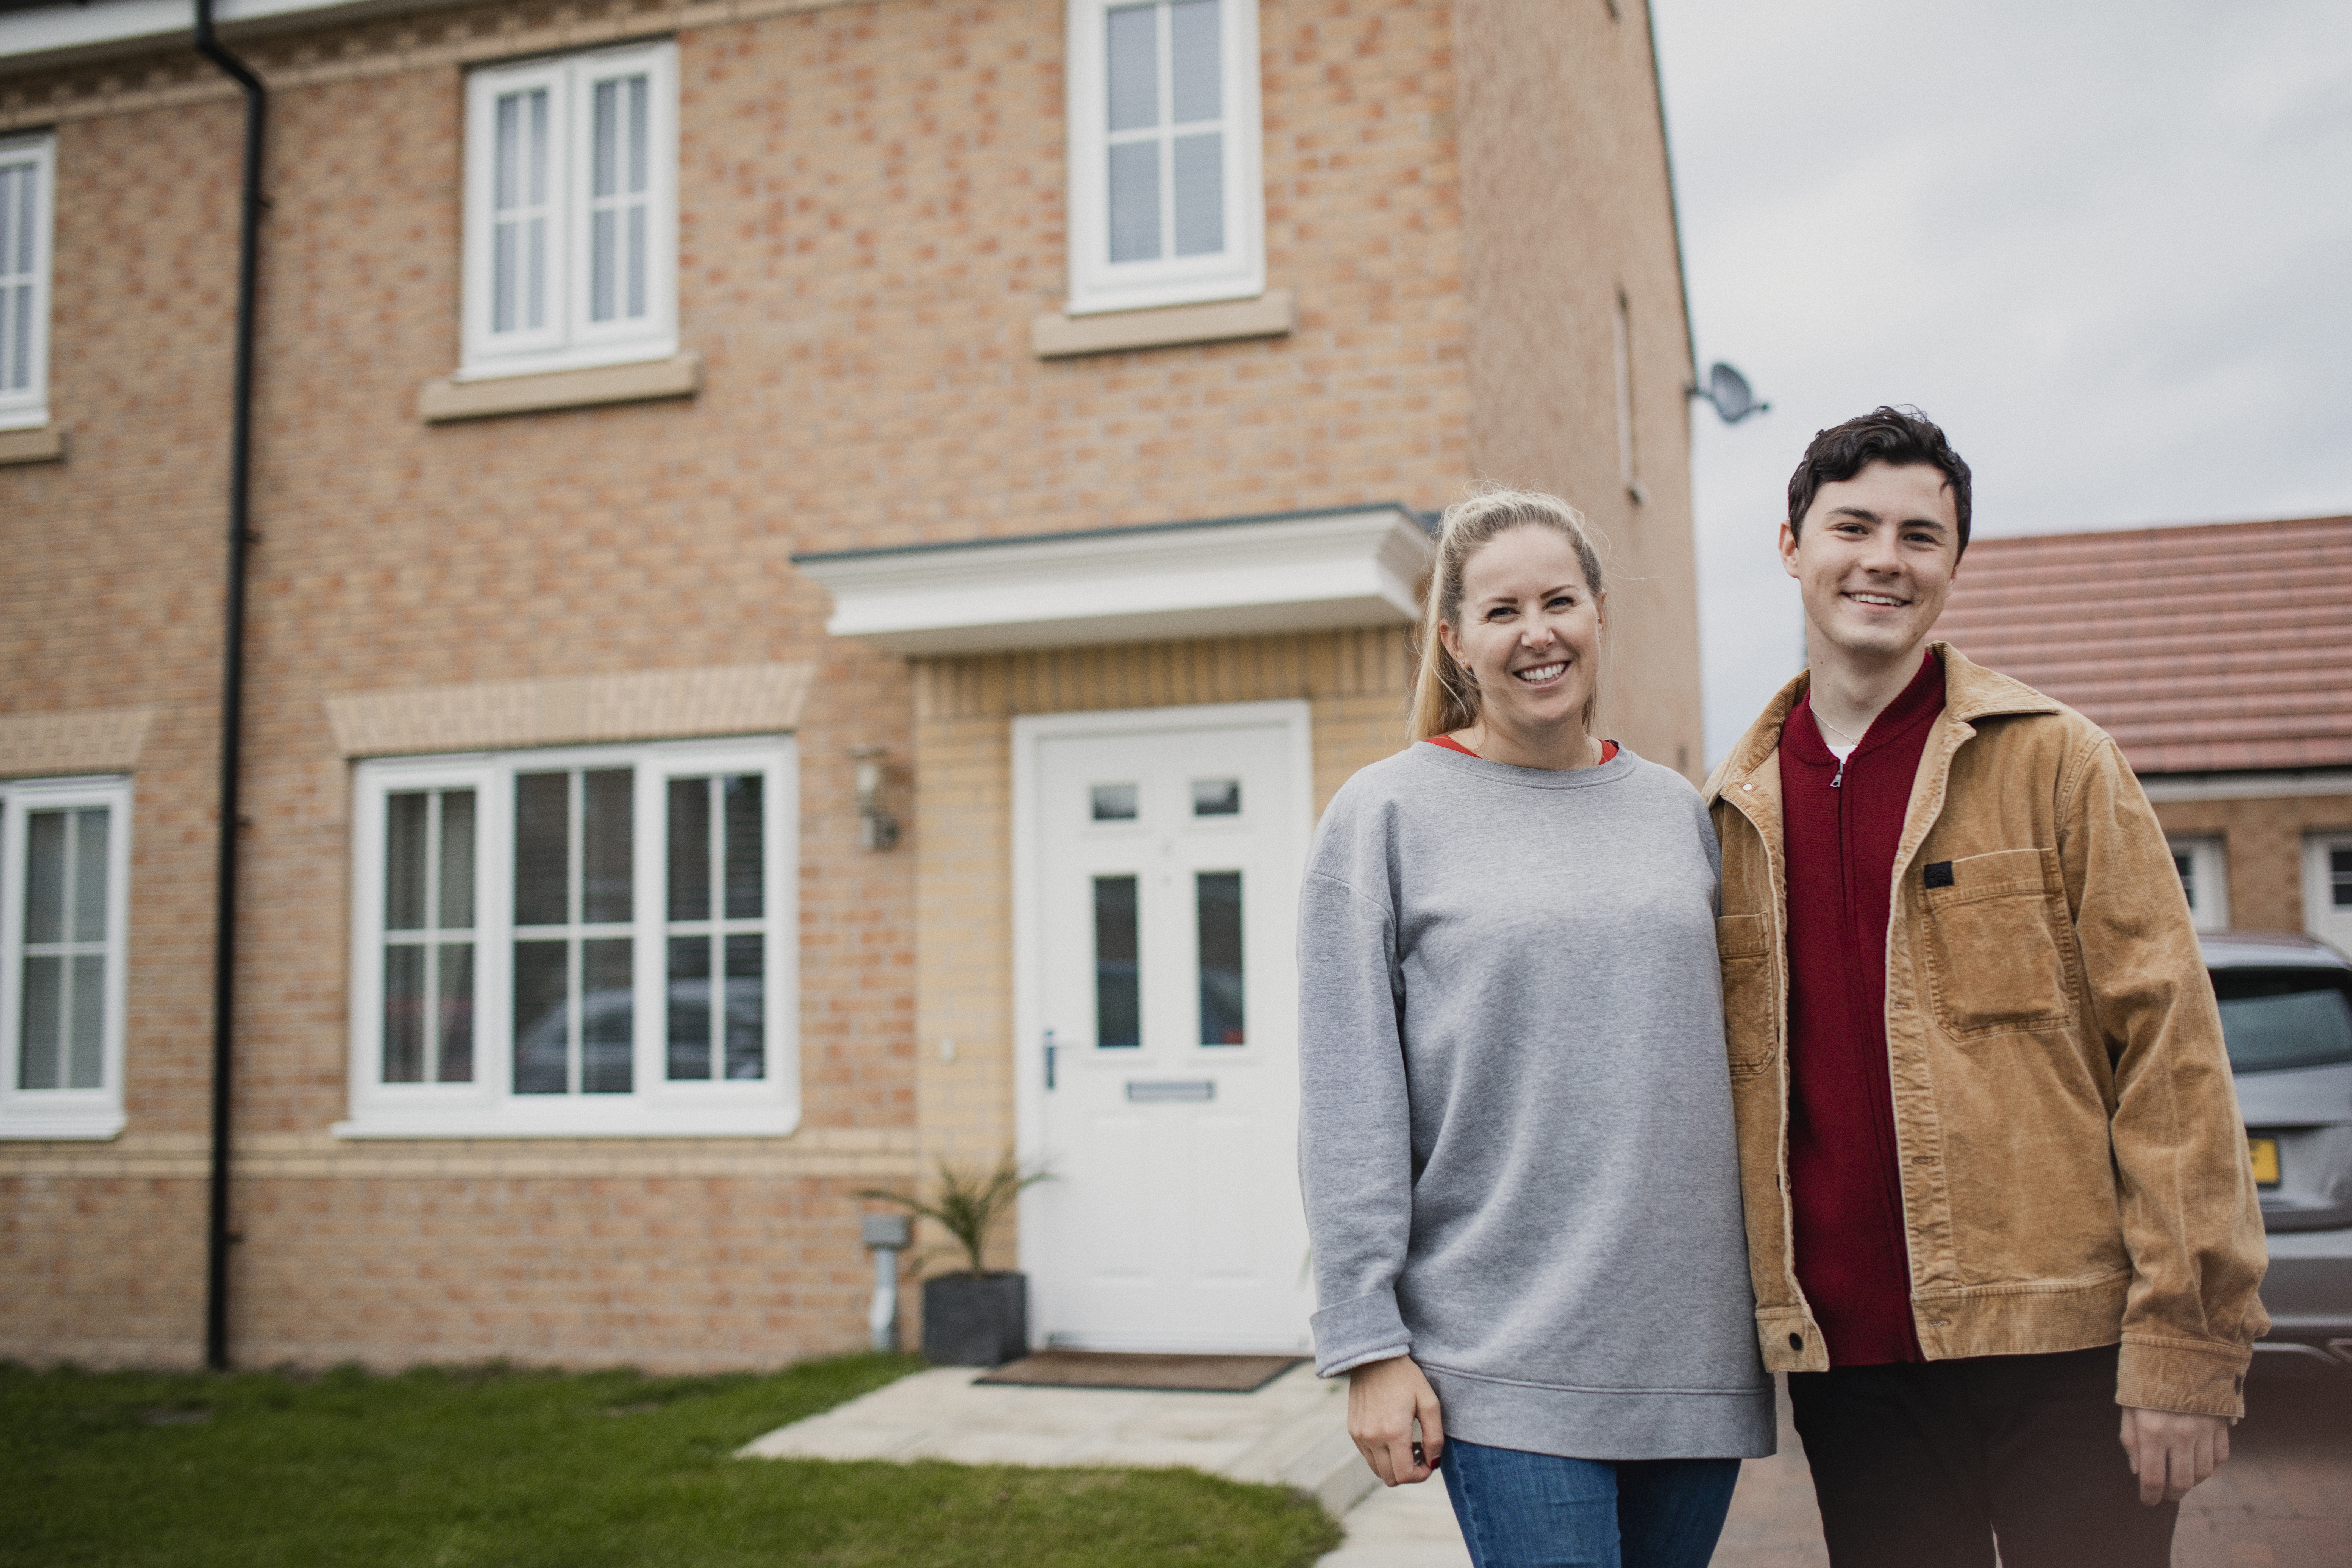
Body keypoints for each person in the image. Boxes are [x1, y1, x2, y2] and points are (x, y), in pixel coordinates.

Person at [1705, 406, 2269, 1568]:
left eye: (1920, 535)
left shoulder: (2057, 760)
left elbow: (2171, 1055)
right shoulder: (1732, 814)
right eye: (1850, 525)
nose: (1882, 559)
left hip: (2064, 1345)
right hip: (1854, 1373)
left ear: (1954, 563)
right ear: (1789, 545)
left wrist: (2185, 1348)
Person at [1298, 488, 1773, 1568]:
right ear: (1455, 638)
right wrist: (1365, 1342)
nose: (1537, 631)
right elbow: (1346, 1097)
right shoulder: (1383, 815)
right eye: (1502, 609)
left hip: (1688, 1347)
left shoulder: (1677, 815)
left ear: (1599, 613)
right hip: (1498, 1348)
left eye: (1559, 600)